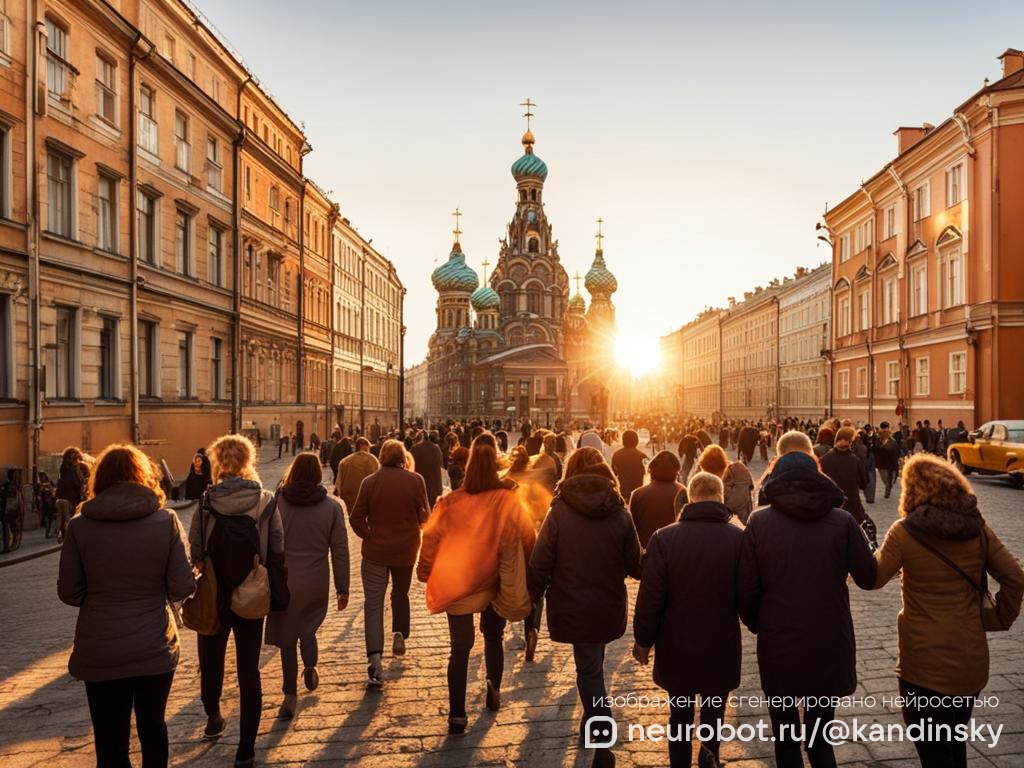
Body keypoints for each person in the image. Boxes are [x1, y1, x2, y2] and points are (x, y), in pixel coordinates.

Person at [871, 454, 1024, 768]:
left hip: (923, 661)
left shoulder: (904, 532)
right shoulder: (977, 530)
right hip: (969, 659)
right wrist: (1000, 617)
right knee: (954, 742)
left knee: (933, 752)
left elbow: (873, 578)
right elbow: (1016, 578)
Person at [737, 432, 876, 768]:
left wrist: (763, 623)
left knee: (785, 740)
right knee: (819, 738)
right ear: (818, 472)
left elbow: (746, 590)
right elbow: (869, 577)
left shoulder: (759, 522)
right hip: (828, 637)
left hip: (779, 638)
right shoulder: (842, 521)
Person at [57, 444, 195, 768]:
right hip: (153, 646)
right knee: (153, 729)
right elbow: (182, 586)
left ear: (98, 479)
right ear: (142, 475)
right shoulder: (166, 521)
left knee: (109, 741)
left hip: (101, 649)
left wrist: (101, 595)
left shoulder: (80, 525)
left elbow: (69, 592)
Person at [529, 446, 642, 768]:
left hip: (572, 602)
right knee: (592, 665)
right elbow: (635, 565)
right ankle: (589, 722)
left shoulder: (560, 512)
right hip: (607, 603)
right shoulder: (619, 510)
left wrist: (531, 598)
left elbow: (540, 562)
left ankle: (602, 743)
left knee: (589, 670)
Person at [417, 434, 536, 733]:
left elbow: (430, 539)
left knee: (460, 649)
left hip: (457, 581)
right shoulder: (507, 499)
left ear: (468, 467)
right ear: (496, 465)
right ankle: (493, 688)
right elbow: (528, 537)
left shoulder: (449, 502)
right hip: (494, 580)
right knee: (493, 638)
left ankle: (457, 714)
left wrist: (424, 570)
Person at [633, 472, 743, 768]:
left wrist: (643, 641)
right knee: (714, 711)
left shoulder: (665, 537)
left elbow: (651, 598)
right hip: (721, 640)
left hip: (676, 642)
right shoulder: (738, 538)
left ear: (690, 498)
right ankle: (709, 757)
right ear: (721, 498)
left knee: (679, 714)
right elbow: (749, 595)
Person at [189, 434, 285, 768]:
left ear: (217, 463)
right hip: (252, 592)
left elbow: (196, 550)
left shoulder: (205, 501)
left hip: (215, 592)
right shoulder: (265, 500)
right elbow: (277, 550)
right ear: (248, 461)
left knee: (211, 661)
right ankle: (245, 748)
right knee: (249, 671)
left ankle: (214, 715)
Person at [265, 453, 348, 720]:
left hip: (285, 580)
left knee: (287, 638)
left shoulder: (277, 503)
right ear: (316, 475)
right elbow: (340, 551)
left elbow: (267, 543)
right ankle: (310, 666)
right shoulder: (332, 508)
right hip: (316, 579)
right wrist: (342, 588)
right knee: (307, 626)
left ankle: (290, 694)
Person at [350, 439, 430, 686]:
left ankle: (374, 661)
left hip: (375, 552)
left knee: (373, 604)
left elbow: (355, 518)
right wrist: (413, 527)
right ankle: (399, 633)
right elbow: (425, 516)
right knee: (400, 593)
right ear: (403, 458)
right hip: (405, 549)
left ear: (381, 457)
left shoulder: (369, 482)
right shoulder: (416, 480)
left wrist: (369, 534)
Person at [821, 426, 876, 549]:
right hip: (853, 508)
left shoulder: (824, 460)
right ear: (850, 441)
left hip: (830, 508)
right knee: (865, 537)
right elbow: (864, 483)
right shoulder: (855, 461)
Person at [628, 450, 685, 549]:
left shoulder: (638, 494)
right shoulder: (683, 491)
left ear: (650, 470)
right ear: (676, 472)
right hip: (676, 549)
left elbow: (632, 528)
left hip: (647, 550)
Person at [333, 437, 380, 513]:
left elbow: (338, 481)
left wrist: (337, 490)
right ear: (365, 446)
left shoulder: (345, 461)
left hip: (349, 495)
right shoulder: (373, 460)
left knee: (352, 515)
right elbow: (378, 478)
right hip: (367, 495)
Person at [56, 446, 89, 542]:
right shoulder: (77, 467)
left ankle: (61, 533)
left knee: (62, 515)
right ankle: (69, 533)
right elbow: (80, 482)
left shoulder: (65, 467)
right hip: (72, 497)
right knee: (69, 516)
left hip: (63, 496)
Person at [611, 429, 647, 503]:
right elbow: (645, 473)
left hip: (622, 492)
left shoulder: (617, 455)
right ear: (637, 441)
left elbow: (613, 473)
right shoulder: (642, 456)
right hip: (637, 493)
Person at [410, 432, 444, 508]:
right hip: (433, 488)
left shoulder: (414, 449)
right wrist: (439, 489)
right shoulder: (436, 449)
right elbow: (440, 469)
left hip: (418, 488)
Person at [874, 422, 901, 499]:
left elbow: (897, 452)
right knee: (884, 479)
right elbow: (875, 451)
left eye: (886, 430)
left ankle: (888, 488)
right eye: (883, 430)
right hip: (881, 464)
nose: (885, 431)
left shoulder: (893, 441)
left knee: (889, 479)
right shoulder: (878, 441)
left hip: (891, 464)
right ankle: (888, 486)